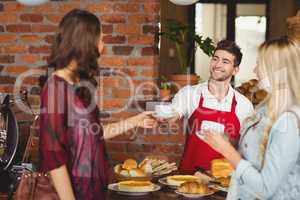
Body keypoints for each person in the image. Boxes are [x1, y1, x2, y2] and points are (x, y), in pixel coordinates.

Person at [39, 9, 156, 200]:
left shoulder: (76, 85)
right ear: (85, 43)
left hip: (93, 191)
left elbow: (94, 134)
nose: (102, 47)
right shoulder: (55, 88)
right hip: (76, 192)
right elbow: (53, 158)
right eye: (100, 39)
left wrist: (136, 121)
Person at [202, 36, 300, 199]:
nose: (255, 70)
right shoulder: (264, 109)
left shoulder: (289, 121)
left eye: (260, 63)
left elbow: (265, 188)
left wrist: (226, 150)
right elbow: (254, 157)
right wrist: (228, 142)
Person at [167, 40, 254, 174]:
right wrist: (165, 116)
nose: (217, 64)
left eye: (225, 61)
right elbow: (173, 114)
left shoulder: (244, 105)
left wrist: (227, 139)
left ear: (235, 70)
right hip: (189, 177)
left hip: (225, 181)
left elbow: (247, 146)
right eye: (215, 59)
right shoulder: (190, 94)